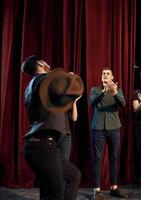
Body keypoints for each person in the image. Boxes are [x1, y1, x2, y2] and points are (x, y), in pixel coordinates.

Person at [22, 55, 82, 200]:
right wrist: (69, 81)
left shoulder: (30, 86)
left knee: (73, 176)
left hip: (40, 146)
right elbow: (64, 87)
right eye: (45, 62)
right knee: (55, 194)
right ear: (40, 63)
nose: (48, 64)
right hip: (44, 146)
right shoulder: (44, 80)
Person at [89, 67, 127, 199]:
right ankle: (97, 190)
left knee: (113, 158)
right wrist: (103, 92)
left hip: (114, 129)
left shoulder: (118, 90)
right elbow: (92, 103)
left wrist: (115, 92)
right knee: (98, 159)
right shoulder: (95, 90)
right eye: (103, 74)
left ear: (112, 78)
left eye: (107, 74)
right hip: (98, 129)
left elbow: (122, 104)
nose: (105, 75)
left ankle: (114, 188)